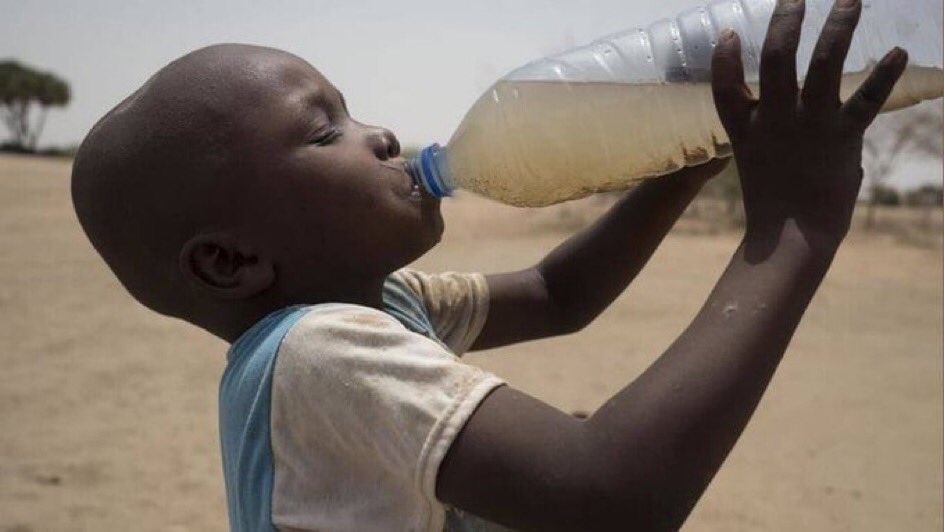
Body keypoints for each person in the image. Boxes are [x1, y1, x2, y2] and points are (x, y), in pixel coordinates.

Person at [70, 0, 907, 529]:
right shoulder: (316, 353)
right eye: (324, 132)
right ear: (231, 260)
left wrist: (690, 152)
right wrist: (796, 227)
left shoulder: (381, 304)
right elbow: (611, 496)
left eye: (353, 111)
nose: (382, 135)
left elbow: (559, 292)